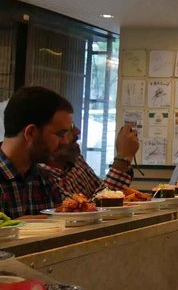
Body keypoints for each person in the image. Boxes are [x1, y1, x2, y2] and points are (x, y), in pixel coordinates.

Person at [0, 87, 74, 218]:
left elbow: (76, 215)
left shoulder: (44, 178)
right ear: (31, 133)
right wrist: (20, 226)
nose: (66, 142)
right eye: (60, 134)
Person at [42, 123, 140, 197]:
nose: (77, 131)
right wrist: (122, 158)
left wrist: (124, 158)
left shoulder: (76, 160)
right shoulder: (41, 175)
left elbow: (100, 192)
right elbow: (83, 213)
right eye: (67, 129)